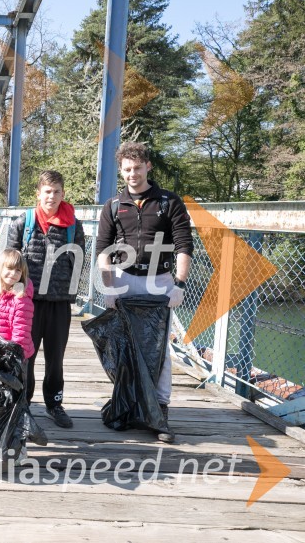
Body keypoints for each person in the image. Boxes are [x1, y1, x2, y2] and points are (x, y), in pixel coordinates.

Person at [94, 142, 194, 443]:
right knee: (124, 346)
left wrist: (179, 284)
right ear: (121, 171)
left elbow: (184, 245)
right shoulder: (113, 205)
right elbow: (102, 250)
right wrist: (108, 288)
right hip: (124, 280)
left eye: (137, 168)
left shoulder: (169, 201)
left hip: (159, 281)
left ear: (147, 166)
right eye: (127, 169)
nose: (132, 174)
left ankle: (159, 409)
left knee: (159, 348)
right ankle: (129, 404)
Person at [6, 170, 85, 430]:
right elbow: (10, 261)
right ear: (38, 194)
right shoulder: (23, 222)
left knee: (55, 358)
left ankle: (54, 403)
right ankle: (23, 404)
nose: (52, 196)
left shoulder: (74, 225)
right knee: (25, 356)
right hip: (27, 302)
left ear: (63, 194)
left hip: (59, 303)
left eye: (56, 192)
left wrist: (68, 292)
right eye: (47, 192)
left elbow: (79, 261)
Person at [0, 248, 46, 443]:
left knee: (14, 398)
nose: (13, 274)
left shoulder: (21, 298)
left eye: (18, 271)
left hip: (15, 357)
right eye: (9, 269)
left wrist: (14, 357)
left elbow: (21, 331)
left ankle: (15, 437)